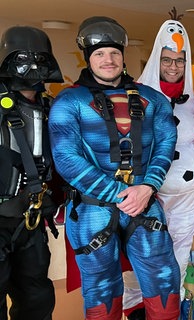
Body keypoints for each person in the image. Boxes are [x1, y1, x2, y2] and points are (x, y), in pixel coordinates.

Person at [48, 16, 180, 319]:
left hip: (144, 200)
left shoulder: (153, 99)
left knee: (163, 278)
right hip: (93, 208)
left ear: (122, 56)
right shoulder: (68, 101)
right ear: (88, 58)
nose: (108, 60)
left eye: (114, 53)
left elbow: (164, 145)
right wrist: (124, 195)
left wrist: (147, 187)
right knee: (100, 286)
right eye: (99, 54)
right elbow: (67, 159)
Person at [122, 17, 194, 320]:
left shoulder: (193, 102)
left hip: (189, 193)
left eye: (180, 61)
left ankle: (177, 308)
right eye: (168, 59)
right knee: (146, 255)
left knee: (181, 252)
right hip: (150, 193)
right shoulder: (135, 96)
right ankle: (139, 309)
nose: (174, 66)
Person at [0, 25, 63, 320]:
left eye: (39, 60)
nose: (32, 67)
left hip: (31, 222)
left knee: (36, 298)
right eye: (23, 59)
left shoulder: (50, 108)